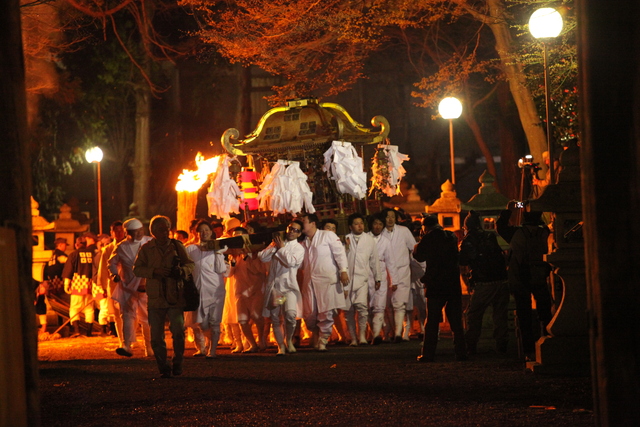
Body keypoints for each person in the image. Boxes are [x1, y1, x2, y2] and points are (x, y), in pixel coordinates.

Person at [133, 215, 194, 378]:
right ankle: (163, 367)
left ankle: (178, 362)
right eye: (161, 229)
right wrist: (154, 272)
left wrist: (181, 271)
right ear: (153, 231)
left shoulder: (177, 246)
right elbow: (137, 269)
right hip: (155, 298)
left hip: (175, 296)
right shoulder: (146, 249)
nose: (165, 232)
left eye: (167, 228)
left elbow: (190, 264)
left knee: (178, 332)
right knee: (156, 336)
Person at [414, 215, 467, 362]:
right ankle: (461, 352)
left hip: (436, 285)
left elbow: (419, 256)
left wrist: (419, 243)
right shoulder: (450, 236)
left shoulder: (428, 238)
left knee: (432, 321)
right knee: (456, 321)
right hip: (452, 284)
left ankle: (428, 354)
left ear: (425, 227)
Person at [502, 210, 552, 360]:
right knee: (545, 312)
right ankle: (548, 342)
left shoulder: (517, 233)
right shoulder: (545, 232)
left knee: (524, 316)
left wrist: (508, 210)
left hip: (520, 276)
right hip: (540, 275)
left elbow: (500, 227)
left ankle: (528, 350)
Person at [459, 211, 510, 355]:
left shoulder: (469, 240)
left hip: (483, 282)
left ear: (466, 226)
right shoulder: (490, 236)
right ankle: (502, 345)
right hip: (501, 280)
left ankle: (471, 345)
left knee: (474, 315)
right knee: (500, 315)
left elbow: (463, 261)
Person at [300, 213, 350, 351]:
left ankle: (323, 340)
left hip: (326, 280)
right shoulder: (303, 242)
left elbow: (339, 253)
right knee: (309, 313)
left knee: (325, 312)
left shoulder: (327, 235)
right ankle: (315, 333)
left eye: (303, 221)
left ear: (312, 223)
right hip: (309, 282)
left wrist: (343, 270)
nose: (301, 224)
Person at [108, 218, 153, 358]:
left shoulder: (150, 243)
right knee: (127, 316)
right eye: (134, 232)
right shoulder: (121, 247)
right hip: (127, 287)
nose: (138, 234)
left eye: (140, 231)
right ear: (128, 233)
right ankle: (126, 345)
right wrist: (114, 274)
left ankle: (149, 347)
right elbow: (111, 263)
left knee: (147, 318)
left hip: (147, 287)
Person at [259, 220, 305, 355]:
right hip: (276, 289)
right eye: (290, 228)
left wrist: (281, 248)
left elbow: (290, 262)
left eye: (296, 230)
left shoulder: (299, 248)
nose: (292, 231)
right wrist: (275, 246)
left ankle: (289, 340)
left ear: (299, 234)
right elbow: (262, 257)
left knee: (290, 315)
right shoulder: (276, 244)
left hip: (289, 288)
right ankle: (281, 346)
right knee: (276, 318)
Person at [186, 220, 229, 358]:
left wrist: (218, 253)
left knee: (214, 321)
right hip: (198, 291)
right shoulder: (191, 249)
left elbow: (221, 269)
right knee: (202, 323)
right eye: (201, 230)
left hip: (215, 290)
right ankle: (205, 345)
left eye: (207, 230)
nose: (204, 233)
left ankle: (212, 350)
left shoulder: (218, 249)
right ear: (196, 233)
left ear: (212, 233)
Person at [344, 213, 381, 346]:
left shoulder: (369, 239)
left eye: (361, 223)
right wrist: (346, 247)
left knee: (362, 309)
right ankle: (353, 338)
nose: (360, 226)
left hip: (362, 279)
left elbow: (374, 260)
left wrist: (378, 278)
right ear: (350, 226)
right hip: (346, 281)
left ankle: (362, 337)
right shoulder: (345, 239)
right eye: (356, 224)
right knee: (348, 311)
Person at [229, 227, 269, 352]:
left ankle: (261, 339)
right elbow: (228, 274)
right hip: (240, 291)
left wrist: (248, 256)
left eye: (240, 237)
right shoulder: (234, 255)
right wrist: (233, 260)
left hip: (256, 290)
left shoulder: (257, 254)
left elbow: (261, 270)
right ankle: (253, 344)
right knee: (242, 320)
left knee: (257, 316)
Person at [380, 208, 416, 342]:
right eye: (387, 217)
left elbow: (414, 248)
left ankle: (399, 333)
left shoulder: (403, 231)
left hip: (402, 272)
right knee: (387, 305)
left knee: (399, 304)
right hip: (385, 273)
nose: (390, 219)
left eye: (392, 217)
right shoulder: (379, 234)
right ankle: (389, 332)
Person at [366, 214, 396, 344]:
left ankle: (377, 335)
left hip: (382, 275)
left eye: (380, 224)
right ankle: (371, 333)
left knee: (379, 306)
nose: (377, 227)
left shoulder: (386, 241)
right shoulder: (364, 238)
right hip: (365, 274)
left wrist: (394, 280)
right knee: (366, 307)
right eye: (375, 224)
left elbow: (391, 262)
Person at [95, 221, 126, 341]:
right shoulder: (108, 249)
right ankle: (122, 340)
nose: (119, 233)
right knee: (117, 314)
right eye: (116, 231)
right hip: (114, 285)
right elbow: (103, 269)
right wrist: (102, 286)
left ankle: (130, 337)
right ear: (111, 233)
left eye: (121, 230)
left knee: (131, 313)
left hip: (130, 284)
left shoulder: (131, 246)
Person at [62, 236, 96, 337]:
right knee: (89, 308)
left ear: (76, 245)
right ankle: (89, 332)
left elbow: (69, 270)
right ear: (86, 244)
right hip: (90, 284)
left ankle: (77, 330)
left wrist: (66, 284)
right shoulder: (93, 254)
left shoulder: (73, 254)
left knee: (74, 308)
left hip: (77, 283)